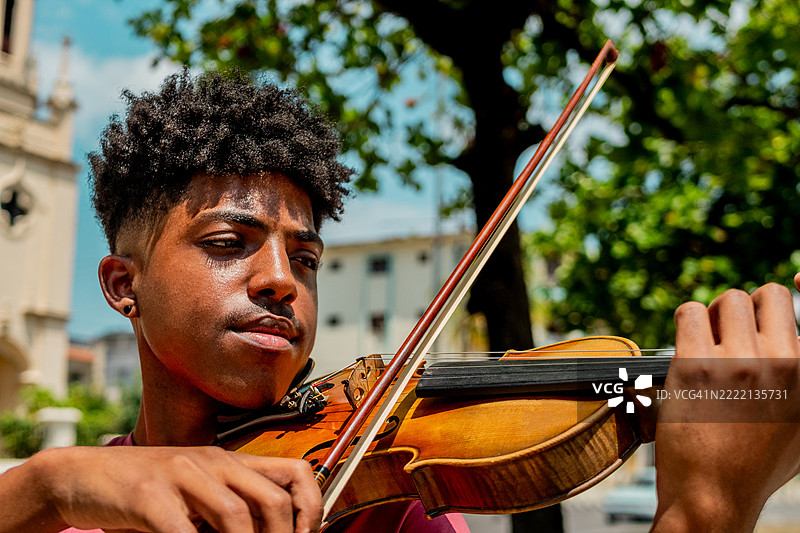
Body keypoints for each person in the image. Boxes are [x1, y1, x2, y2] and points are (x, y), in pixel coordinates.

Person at [0, 70, 798, 533]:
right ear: (124, 285)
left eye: (305, 258)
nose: (282, 280)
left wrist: (704, 508)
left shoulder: (383, 515)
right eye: (227, 242)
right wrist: (51, 482)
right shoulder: (67, 502)